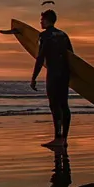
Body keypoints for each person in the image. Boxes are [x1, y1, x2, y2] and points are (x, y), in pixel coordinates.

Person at [30, 9, 73, 148]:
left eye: (42, 19)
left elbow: (40, 58)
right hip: (64, 73)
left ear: (47, 20)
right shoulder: (63, 35)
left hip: (53, 73)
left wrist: (34, 77)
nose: (40, 22)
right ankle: (64, 139)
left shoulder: (45, 36)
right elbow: (71, 56)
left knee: (54, 105)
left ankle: (57, 138)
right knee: (64, 105)